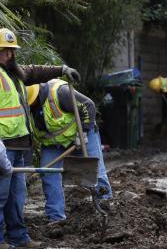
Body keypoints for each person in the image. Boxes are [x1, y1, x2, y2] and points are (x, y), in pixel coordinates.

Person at [0, 28, 81, 249]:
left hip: (20, 144)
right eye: (5, 51)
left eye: (11, 51)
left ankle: (18, 237)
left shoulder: (13, 73)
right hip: (2, 146)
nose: (9, 55)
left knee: (17, 196)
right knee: (0, 195)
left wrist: (61, 69)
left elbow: (35, 71)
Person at [27, 79, 112, 224]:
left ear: (37, 97)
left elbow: (88, 106)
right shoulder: (28, 108)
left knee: (95, 171)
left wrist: (83, 133)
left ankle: (106, 209)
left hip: (81, 135)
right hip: (53, 144)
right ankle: (56, 218)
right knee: (48, 173)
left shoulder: (60, 93)